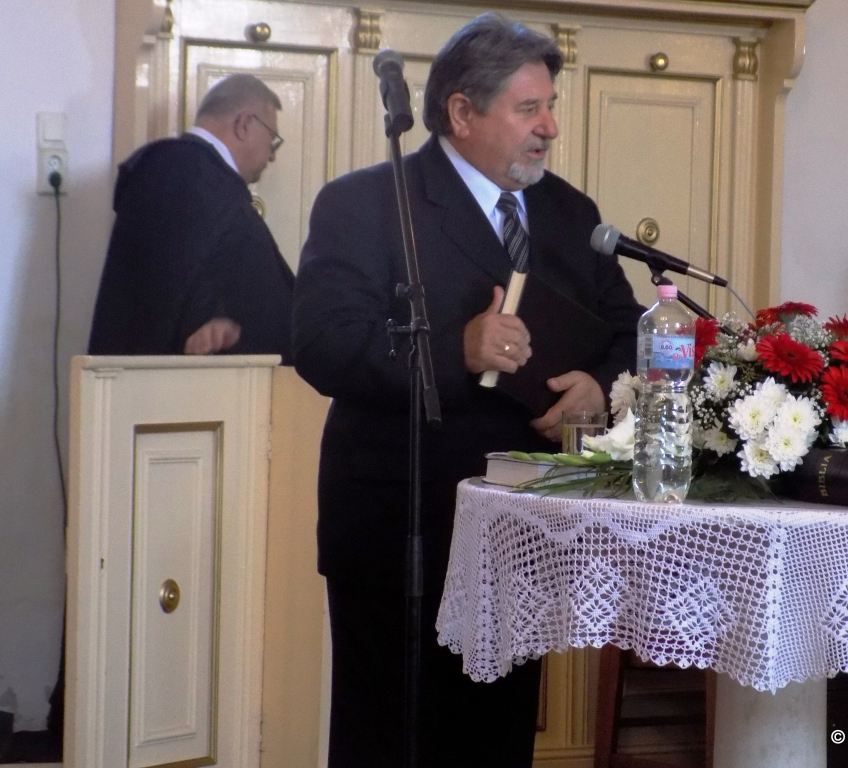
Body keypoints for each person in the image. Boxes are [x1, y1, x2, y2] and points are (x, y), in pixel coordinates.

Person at [293, 13, 643, 768]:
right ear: (461, 111)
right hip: (399, 527)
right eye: (529, 109)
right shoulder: (365, 203)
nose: (549, 127)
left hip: (524, 529)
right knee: (388, 744)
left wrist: (598, 388)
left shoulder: (570, 213)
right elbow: (323, 346)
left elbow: (629, 331)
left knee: (496, 742)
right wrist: (455, 349)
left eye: (550, 107)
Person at [88, 73, 294, 361]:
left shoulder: (183, 172)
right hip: (178, 381)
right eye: (272, 139)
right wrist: (206, 323)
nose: (271, 156)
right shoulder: (189, 173)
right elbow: (170, 288)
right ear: (245, 124)